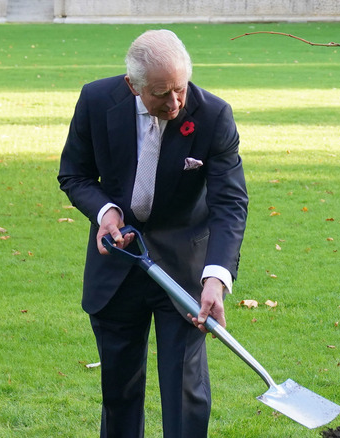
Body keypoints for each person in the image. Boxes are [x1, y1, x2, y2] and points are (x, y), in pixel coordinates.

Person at [58, 29, 248, 437]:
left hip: (184, 275)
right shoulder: (95, 101)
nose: (176, 103)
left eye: (180, 89)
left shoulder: (213, 115)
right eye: (162, 94)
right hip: (118, 267)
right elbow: (74, 174)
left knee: (185, 393)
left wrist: (216, 277)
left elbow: (229, 203)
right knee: (120, 393)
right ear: (133, 86)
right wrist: (106, 213)